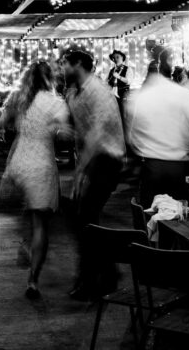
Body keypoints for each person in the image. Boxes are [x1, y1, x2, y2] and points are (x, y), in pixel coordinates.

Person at [0, 61, 70, 299]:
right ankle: (33, 281)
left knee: (28, 206)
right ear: (50, 79)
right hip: (41, 165)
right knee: (41, 223)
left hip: (19, 163)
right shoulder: (55, 103)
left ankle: (25, 242)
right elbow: (63, 135)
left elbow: (3, 123)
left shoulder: (19, 99)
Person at [60, 49, 126, 300]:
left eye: (65, 64)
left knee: (85, 217)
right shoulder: (73, 93)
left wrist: (80, 171)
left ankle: (93, 280)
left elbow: (97, 135)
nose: (62, 69)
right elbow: (81, 132)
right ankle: (106, 272)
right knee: (85, 218)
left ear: (78, 64)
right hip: (92, 160)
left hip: (108, 160)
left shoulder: (98, 92)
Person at [127, 51, 189, 206]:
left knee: (150, 211)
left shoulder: (138, 97)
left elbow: (131, 138)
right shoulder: (184, 95)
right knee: (178, 211)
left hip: (150, 166)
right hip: (178, 167)